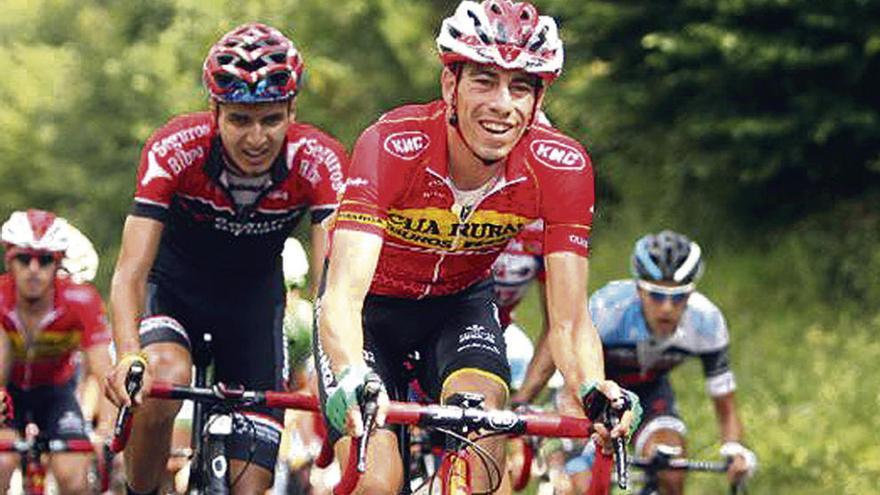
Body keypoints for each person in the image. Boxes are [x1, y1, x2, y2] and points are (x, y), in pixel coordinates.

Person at [315, 1, 640, 493]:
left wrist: (593, 387)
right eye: (484, 81)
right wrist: (350, 370)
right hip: (369, 315)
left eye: (521, 87)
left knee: (485, 436)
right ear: (451, 85)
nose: (502, 104)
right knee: (378, 481)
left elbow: (570, 322)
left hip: (458, 307)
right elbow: (342, 295)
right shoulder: (392, 144)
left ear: (537, 100)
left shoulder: (562, 167)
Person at [104, 23, 348, 495]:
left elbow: (331, 287)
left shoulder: (320, 159)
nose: (256, 138)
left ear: (292, 110)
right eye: (239, 119)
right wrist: (128, 353)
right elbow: (129, 273)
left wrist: (331, 368)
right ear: (214, 111)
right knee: (162, 378)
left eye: (271, 119)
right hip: (173, 292)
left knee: (251, 486)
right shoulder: (173, 149)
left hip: (253, 307)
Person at [568, 230, 757, 494]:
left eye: (679, 297)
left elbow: (726, 406)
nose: (667, 307)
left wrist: (735, 449)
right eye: (657, 295)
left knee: (671, 470)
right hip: (593, 392)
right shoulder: (607, 309)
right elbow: (571, 368)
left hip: (650, 391)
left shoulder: (707, 322)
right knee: (583, 485)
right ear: (638, 289)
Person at [0, 209, 115, 493]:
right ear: (9, 261)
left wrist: (106, 433)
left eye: (45, 259)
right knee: (2, 462)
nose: (34, 269)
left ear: (58, 263)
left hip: (56, 392)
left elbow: (105, 374)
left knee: (73, 475)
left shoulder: (81, 300)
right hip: (7, 392)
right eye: (25, 259)